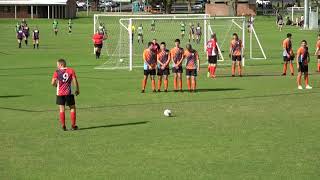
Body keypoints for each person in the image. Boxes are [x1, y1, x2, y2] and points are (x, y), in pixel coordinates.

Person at [51, 59, 80, 131]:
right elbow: (74, 80)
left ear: (61, 64)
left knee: (62, 109)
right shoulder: (71, 70)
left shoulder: (57, 72)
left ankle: (63, 125)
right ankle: (73, 125)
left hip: (59, 93)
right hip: (69, 93)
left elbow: (52, 83)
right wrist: (77, 89)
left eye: (57, 65)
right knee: (72, 108)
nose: (57, 66)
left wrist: (56, 85)